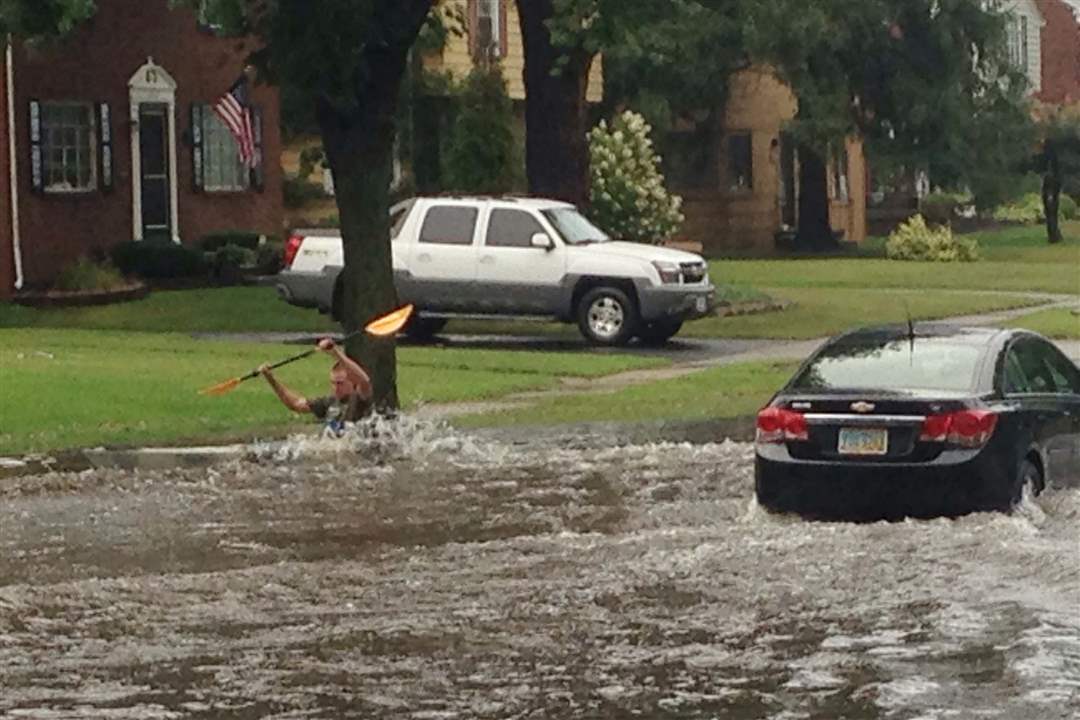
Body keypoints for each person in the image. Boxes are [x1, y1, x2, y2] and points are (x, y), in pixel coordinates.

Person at [260, 338, 373, 434]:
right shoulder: (328, 402)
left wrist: (335, 352)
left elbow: (364, 380)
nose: (335, 388)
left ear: (352, 382)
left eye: (340, 383)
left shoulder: (360, 399)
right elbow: (295, 404)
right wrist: (271, 379)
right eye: (333, 383)